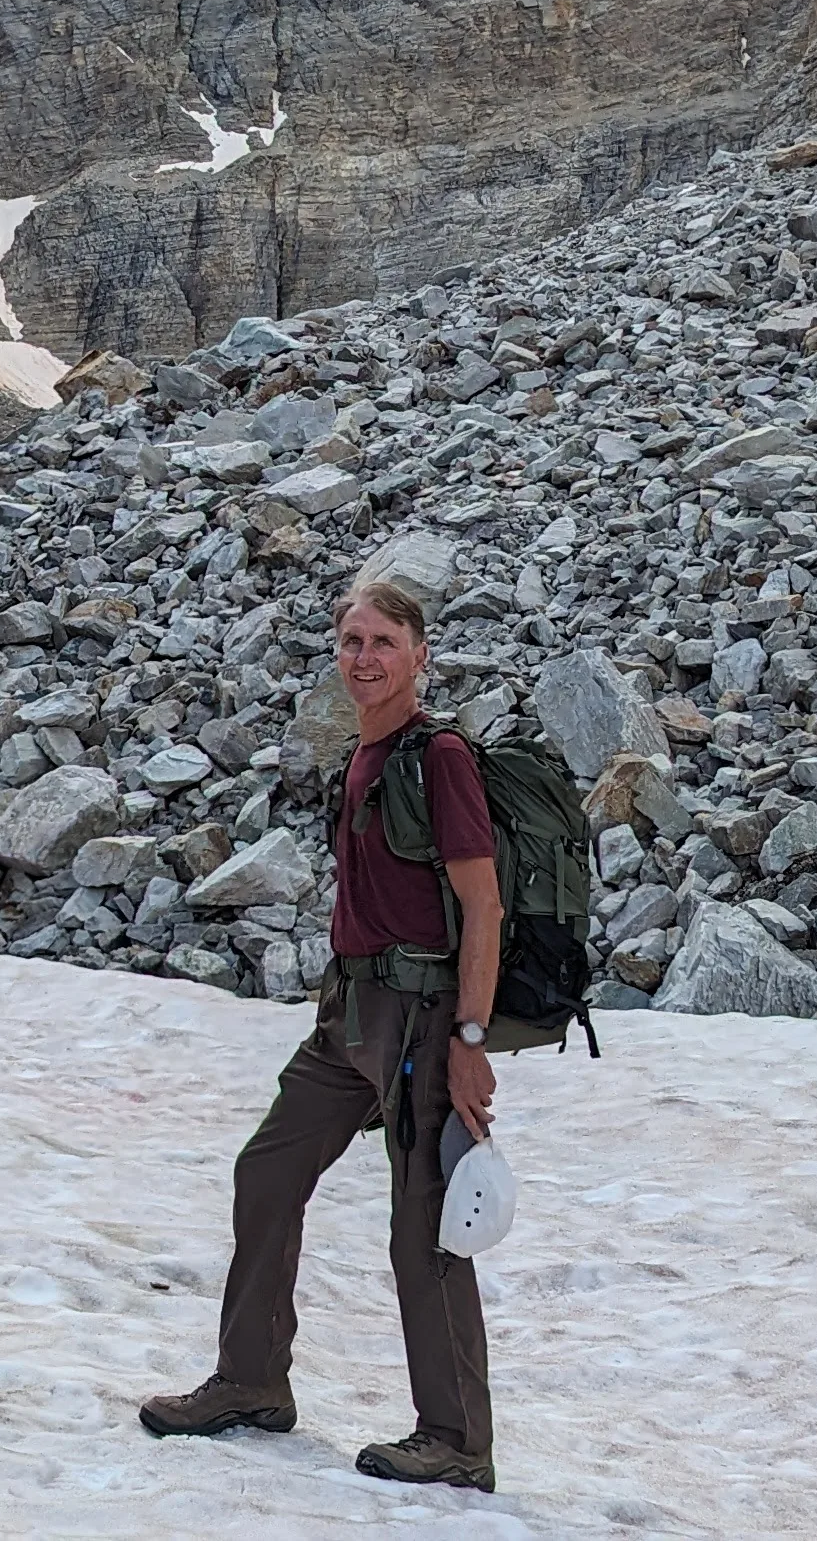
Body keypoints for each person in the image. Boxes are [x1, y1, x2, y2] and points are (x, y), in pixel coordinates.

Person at [138, 569, 502, 1492]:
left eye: (384, 642)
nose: (365, 658)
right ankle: (253, 1381)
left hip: (420, 1016)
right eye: (352, 641)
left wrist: (469, 1041)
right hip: (349, 1015)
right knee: (269, 1169)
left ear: (421, 654)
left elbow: (483, 904)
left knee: (422, 1225)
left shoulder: (439, 757)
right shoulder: (362, 755)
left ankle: (456, 1440)